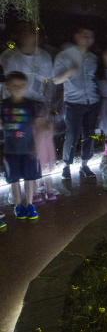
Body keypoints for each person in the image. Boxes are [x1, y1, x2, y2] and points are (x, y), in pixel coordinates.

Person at [0, 22, 55, 202]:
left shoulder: (45, 56)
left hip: (35, 107)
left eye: (32, 33)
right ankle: (18, 192)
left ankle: (40, 187)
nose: (28, 37)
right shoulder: (8, 56)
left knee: (38, 148)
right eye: (24, 33)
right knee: (18, 146)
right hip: (13, 108)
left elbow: (48, 84)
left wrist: (46, 109)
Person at [53, 27, 100, 179]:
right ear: (76, 36)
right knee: (72, 135)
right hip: (73, 101)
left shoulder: (94, 58)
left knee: (89, 134)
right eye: (84, 35)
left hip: (92, 100)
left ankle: (85, 165)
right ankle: (66, 166)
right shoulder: (65, 56)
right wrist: (69, 72)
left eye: (91, 36)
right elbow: (55, 79)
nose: (88, 39)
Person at [2, 72, 42, 221]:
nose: (18, 88)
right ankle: (18, 205)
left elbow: (37, 126)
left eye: (21, 86)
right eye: (14, 86)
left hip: (29, 149)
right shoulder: (4, 104)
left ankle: (30, 204)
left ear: (26, 87)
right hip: (10, 150)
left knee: (30, 178)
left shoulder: (30, 104)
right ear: (7, 87)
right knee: (14, 180)